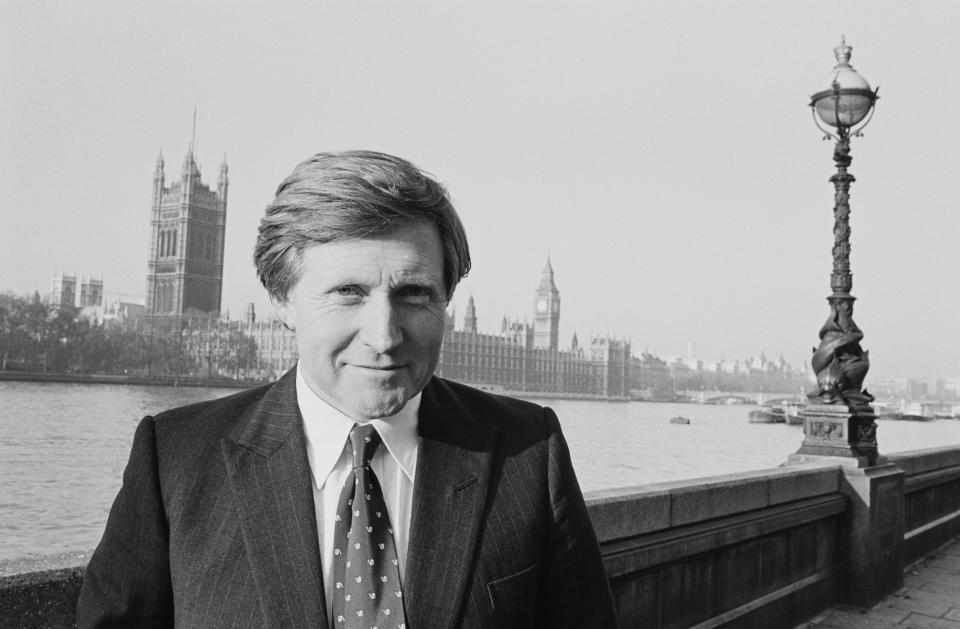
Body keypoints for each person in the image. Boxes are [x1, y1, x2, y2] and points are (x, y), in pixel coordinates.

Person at [77, 150, 617, 628]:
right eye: (348, 293)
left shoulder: (527, 451)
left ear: (448, 299)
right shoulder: (173, 458)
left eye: (413, 293)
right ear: (282, 300)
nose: (384, 337)